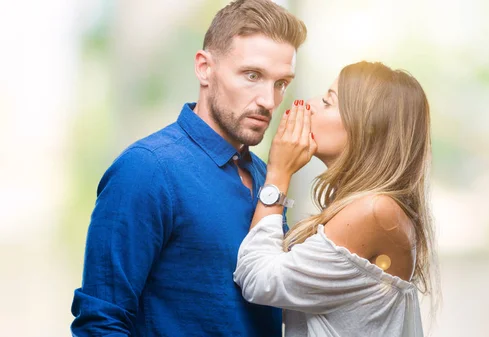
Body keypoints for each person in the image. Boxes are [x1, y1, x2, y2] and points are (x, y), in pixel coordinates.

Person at [70, 0, 306, 335]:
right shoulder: (147, 169)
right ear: (204, 68)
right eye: (252, 75)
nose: (269, 100)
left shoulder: (265, 178)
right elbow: (101, 323)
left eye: (281, 83)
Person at [234, 61, 438, 337]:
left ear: (367, 128)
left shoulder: (374, 211)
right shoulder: (370, 207)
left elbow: (260, 282)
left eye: (329, 102)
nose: (310, 105)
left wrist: (278, 174)